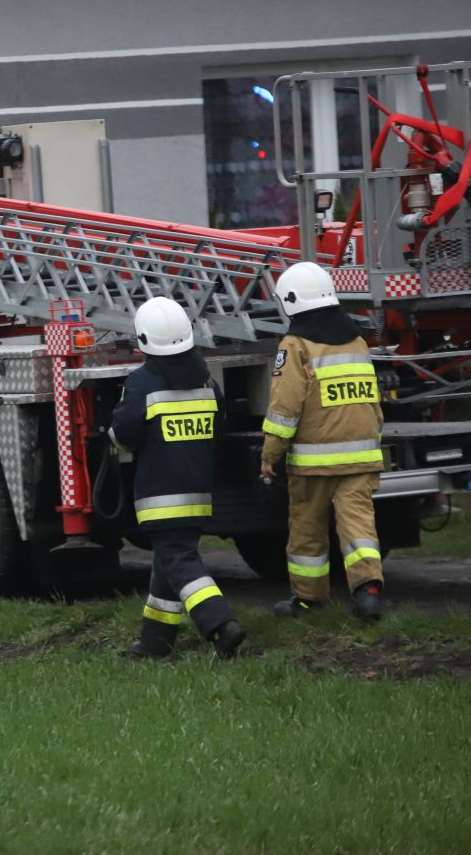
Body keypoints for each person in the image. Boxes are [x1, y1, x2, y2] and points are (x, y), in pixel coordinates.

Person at [110, 297, 246, 659]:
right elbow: (219, 430)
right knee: (168, 562)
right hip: (197, 493)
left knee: (179, 560)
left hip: (160, 497)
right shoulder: (206, 383)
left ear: (144, 340)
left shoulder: (141, 383)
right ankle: (155, 643)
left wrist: (106, 435)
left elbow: (124, 434)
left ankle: (220, 625)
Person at [260, 261, 385, 621]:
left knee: (307, 529)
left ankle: (308, 599)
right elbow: (370, 399)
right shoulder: (357, 341)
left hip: (314, 461)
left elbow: (285, 407)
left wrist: (271, 453)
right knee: (358, 525)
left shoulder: (296, 345)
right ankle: (368, 591)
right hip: (361, 453)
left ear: (292, 302)